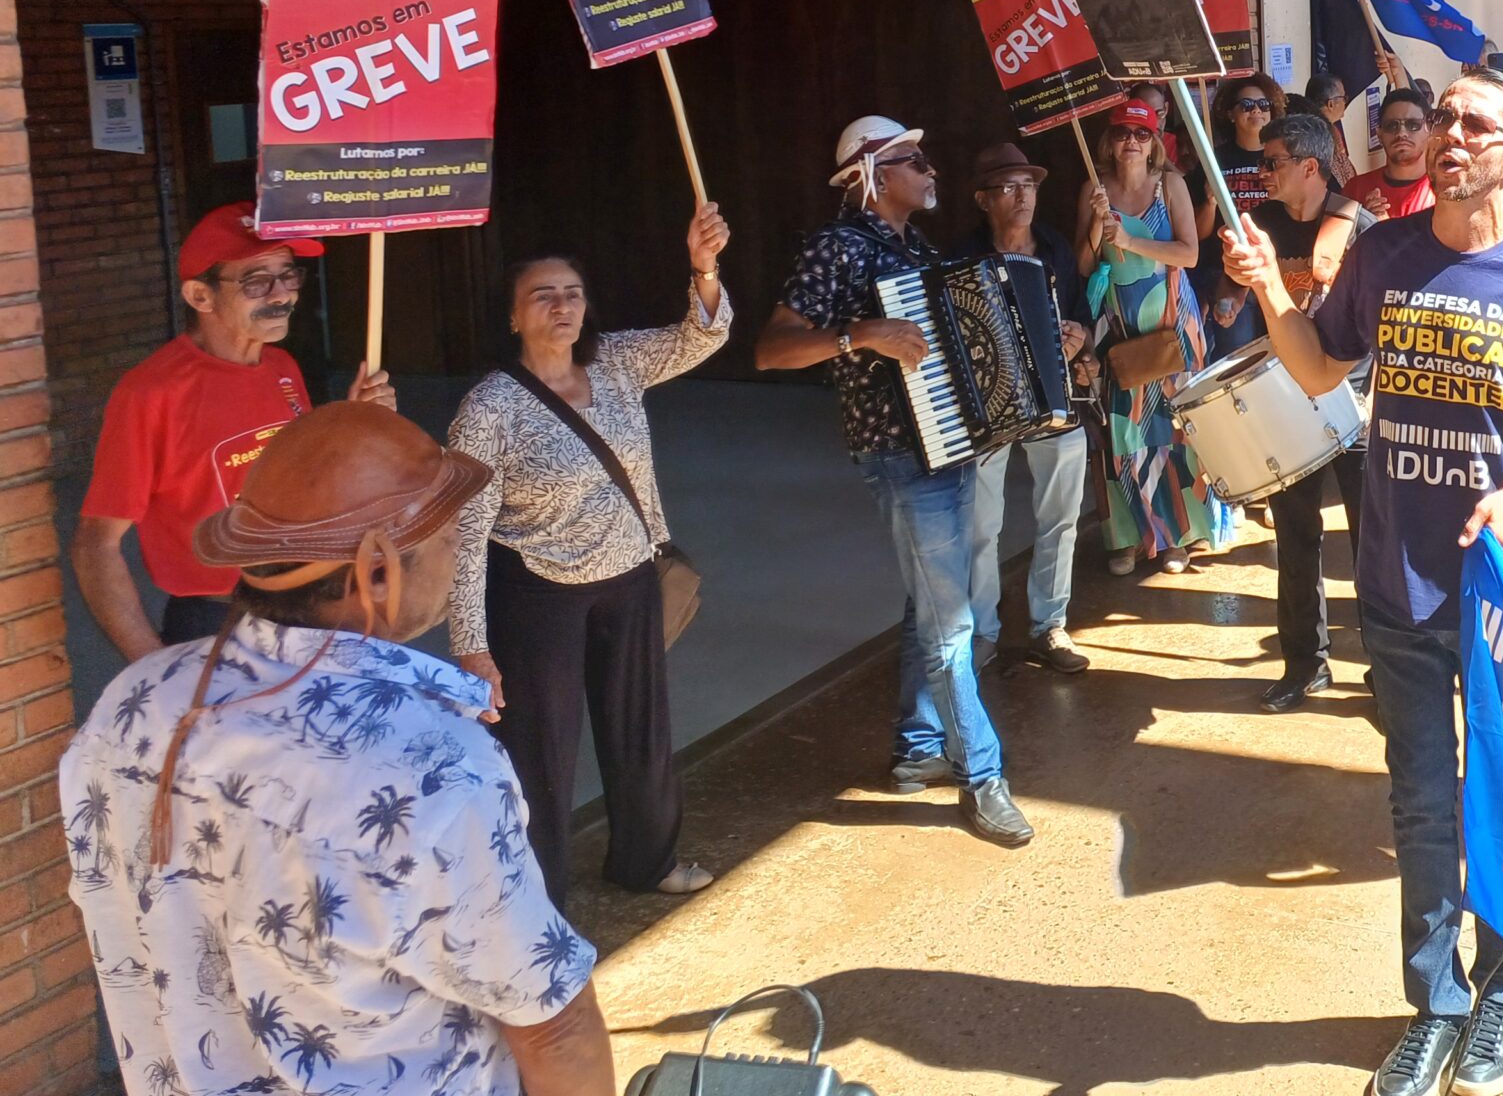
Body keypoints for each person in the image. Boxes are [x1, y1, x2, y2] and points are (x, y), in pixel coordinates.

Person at [1223, 66, 1503, 1096]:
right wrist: (1270, 291)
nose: (1447, 134)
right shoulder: (1382, 254)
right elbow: (1320, 369)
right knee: (1418, 805)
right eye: (1440, 117)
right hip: (1395, 583)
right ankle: (1435, 1004)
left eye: (1472, 123)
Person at [62, 403, 614, 1096]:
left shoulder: (132, 703)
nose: (460, 558)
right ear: (377, 571)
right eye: (451, 539)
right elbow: (552, 1024)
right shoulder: (432, 770)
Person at [756, 115, 1033, 848]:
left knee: (931, 606)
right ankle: (983, 776)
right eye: (914, 160)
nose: (930, 169)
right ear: (872, 175)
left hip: (947, 446)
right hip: (898, 453)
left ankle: (916, 748)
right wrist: (862, 334)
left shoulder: (918, 249)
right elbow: (772, 348)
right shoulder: (836, 246)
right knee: (951, 623)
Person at [442, 203, 732, 900]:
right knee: (541, 751)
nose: (562, 307)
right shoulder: (489, 409)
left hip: (629, 576)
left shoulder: (617, 363)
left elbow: (703, 336)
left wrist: (704, 268)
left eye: (572, 294)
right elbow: (465, 533)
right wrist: (471, 646)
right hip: (537, 593)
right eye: (543, 296)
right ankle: (537, 901)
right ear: (513, 315)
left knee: (640, 729)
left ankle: (648, 860)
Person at [71, 201, 392, 660]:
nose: (281, 295)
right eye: (256, 281)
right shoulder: (150, 393)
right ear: (200, 296)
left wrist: (354, 421)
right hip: (217, 620)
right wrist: (148, 663)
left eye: (288, 275)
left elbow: (306, 483)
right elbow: (96, 544)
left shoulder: (281, 366)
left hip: (305, 605)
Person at [1244, 113, 1375, 712]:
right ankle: (1304, 665)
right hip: (1285, 402)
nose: (1262, 173)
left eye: (1272, 162)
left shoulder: (1361, 229)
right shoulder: (1261, 227)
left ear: (1310, 167)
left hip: (1356, 403)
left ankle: (1384, 667)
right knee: (1295, 539)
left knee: (1372, 543)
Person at [959, 142, 1094, 675]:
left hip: (1054, 398)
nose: (1024, 197)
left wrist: (1079, 341)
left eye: (1030, 185)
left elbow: (1082, 316)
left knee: (1060, 518)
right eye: (1010, 187)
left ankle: (1049, 625)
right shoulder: (961, 257)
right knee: (979, 525)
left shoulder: (1055, 248)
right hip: (987, 408)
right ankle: (982, 630)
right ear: (983, 199)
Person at [1078, 99, 1218, 576]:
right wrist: (1097, 221)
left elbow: (1189, 254)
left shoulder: (1170, 185)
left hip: (1172, 320)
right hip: (1118, 325)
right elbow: (1084, 264)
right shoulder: (1093, 188)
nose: (1132, 142)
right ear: (1109, 141)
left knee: (1174, 428)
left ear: (1155, 142)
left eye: (1141, 134)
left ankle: (1178, 534)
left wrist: (1130, 241)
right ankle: (1129, 536)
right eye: (1122, 133)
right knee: (1124, 430)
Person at [1197, 72, 1285, 360]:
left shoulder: (1285, 159)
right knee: (1239, 362)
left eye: (1263, 104)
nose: (1256, 110)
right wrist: (1209, 203)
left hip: (1278, 271)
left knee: (1285, 356)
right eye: (1246, 105)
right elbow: (1199, 235)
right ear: (1230, 114)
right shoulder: (1212, 161)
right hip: (1227, 273)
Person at [1346, 86, 1436, 219]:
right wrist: (1364, 221)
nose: (1401, 133)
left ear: (1430, 130)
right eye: (1392, 125)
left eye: (1413, 125)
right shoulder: (1355, 189)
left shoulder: (1443, 192)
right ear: (1379, 134)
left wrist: (1385, 228)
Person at [1305, 71, 1358, 183]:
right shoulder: (1320, 136)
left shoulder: (1330, 130)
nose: (1345, 102)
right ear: (1331, 104)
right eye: (1343, 98)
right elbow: (1342, 178)